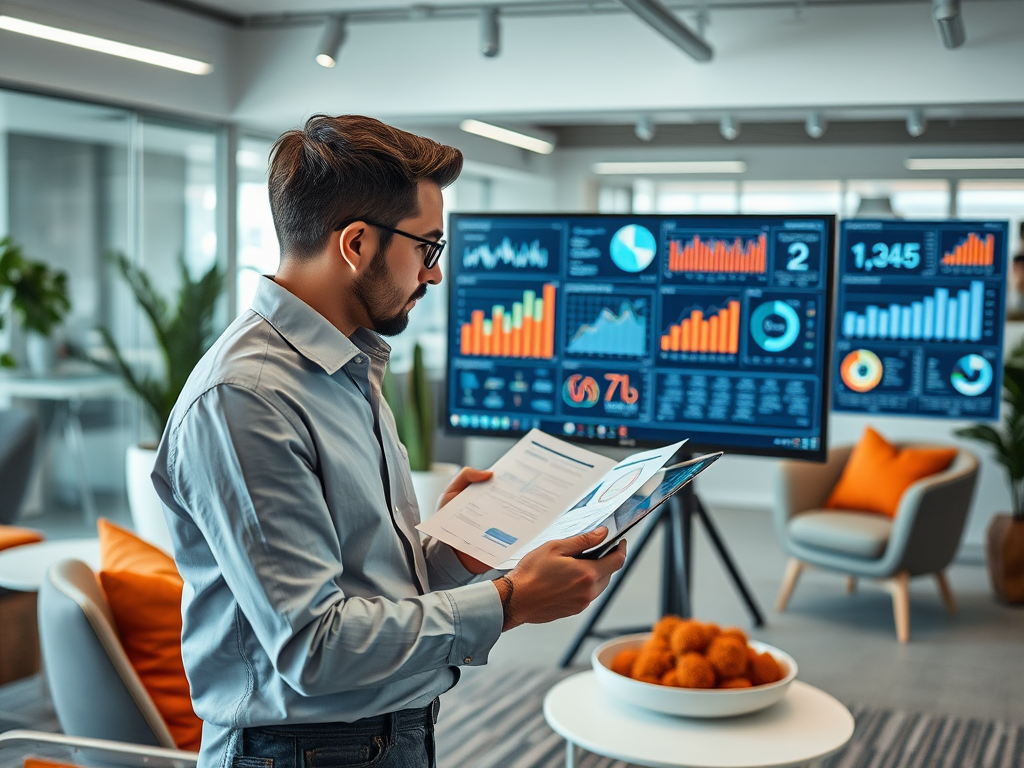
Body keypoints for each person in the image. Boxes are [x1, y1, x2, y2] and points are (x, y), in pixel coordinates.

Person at [151, 114, 627, 768]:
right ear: (355, 243)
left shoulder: (348, 365)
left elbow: (358, 586)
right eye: (428, 247)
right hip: (301, 752)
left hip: (381, 734)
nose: (434, 275)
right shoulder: (248, 398)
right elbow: (313, 648)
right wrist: (511, 602)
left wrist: (452, 552)